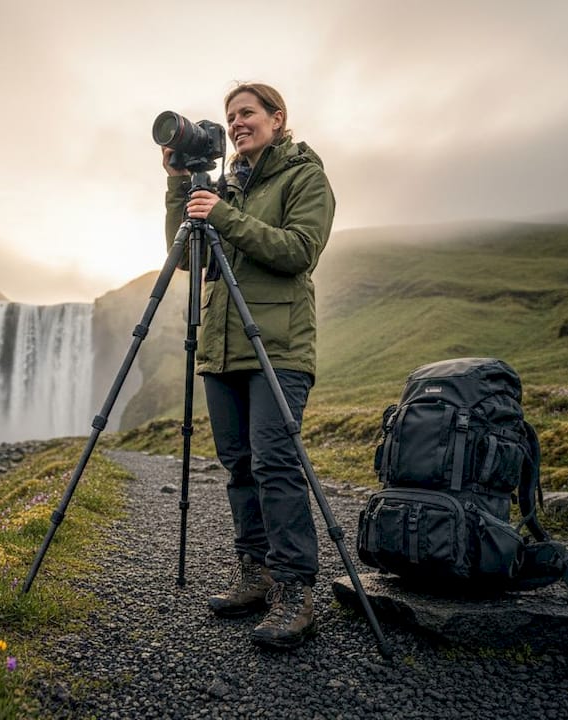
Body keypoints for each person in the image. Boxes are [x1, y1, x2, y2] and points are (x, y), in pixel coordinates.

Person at [161, 82, 334, 650]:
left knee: (275, 465)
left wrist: (227, 219)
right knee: (238, 466)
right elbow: (190, 258)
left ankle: (294, 592)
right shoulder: (226, 185)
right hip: (223, 347)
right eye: (230, 116)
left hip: (277, 348)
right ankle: (255, 575)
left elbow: (298, 250)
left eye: (247, 113)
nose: (236, 123)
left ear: (277, 118)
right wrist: (179, 187)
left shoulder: (304, 176)